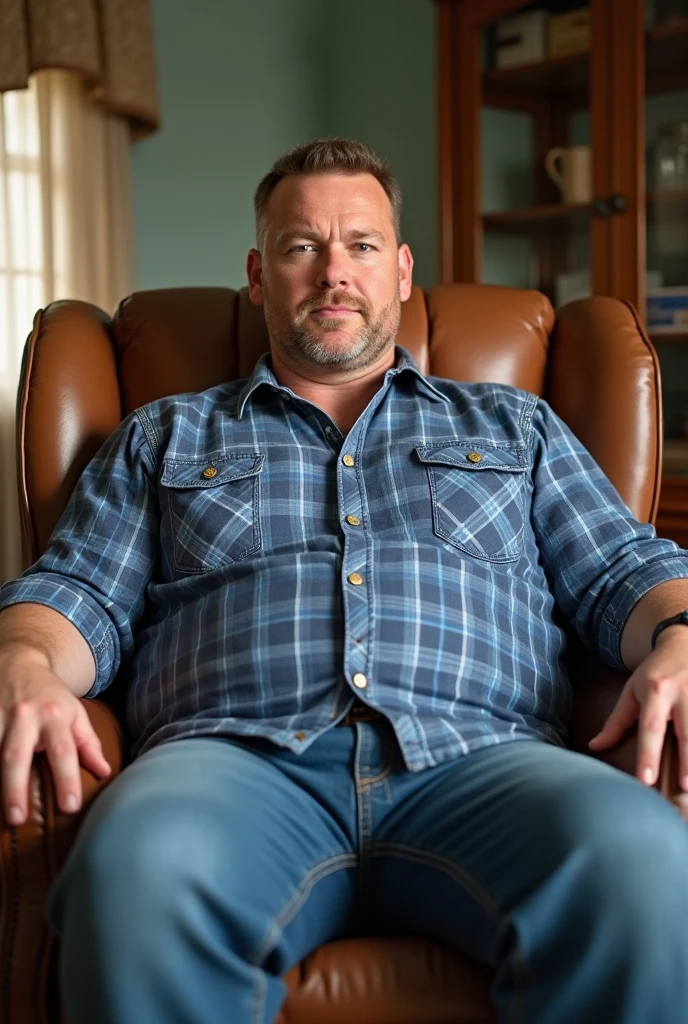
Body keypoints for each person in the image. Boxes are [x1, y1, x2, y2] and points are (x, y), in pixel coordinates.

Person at [0, 137, 687, 1024]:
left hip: (487, 763)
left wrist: (677, 636)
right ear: (258, 275)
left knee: (641, 858)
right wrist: (23, 661)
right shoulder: (163, 436)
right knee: (136, 870)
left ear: (400, 271)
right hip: (232, 765)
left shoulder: (516, 427)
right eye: (301, 248)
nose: (334, 273)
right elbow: (79, 594)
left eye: (361, 246)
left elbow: (624, 573)